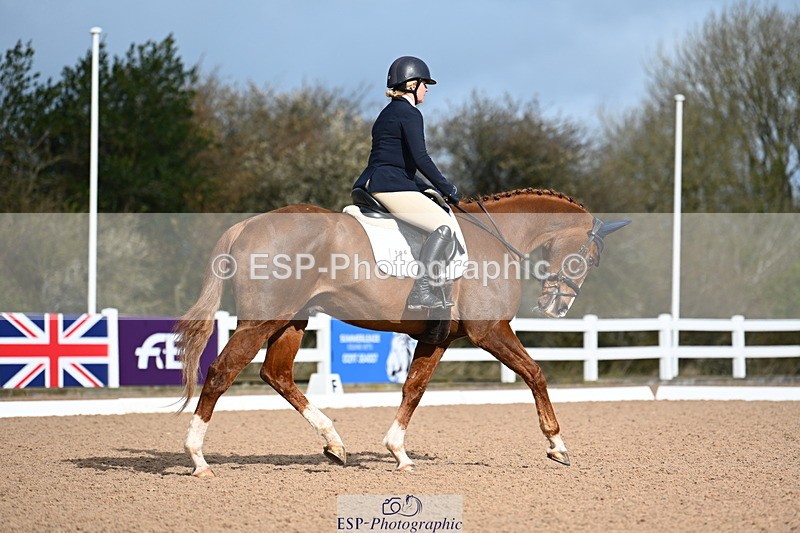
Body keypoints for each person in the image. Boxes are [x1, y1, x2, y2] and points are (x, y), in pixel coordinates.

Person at [353, 56, 460, 310]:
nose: (427, 90)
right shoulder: (410, 114)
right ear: (412, 84)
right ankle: (421, 292)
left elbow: (399, 162)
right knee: (444, 225)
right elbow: (420, 158)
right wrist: (448, 188)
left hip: (375, 181)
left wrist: (427, 187)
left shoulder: (386, 113)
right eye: (425, 84)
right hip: (390, 186)